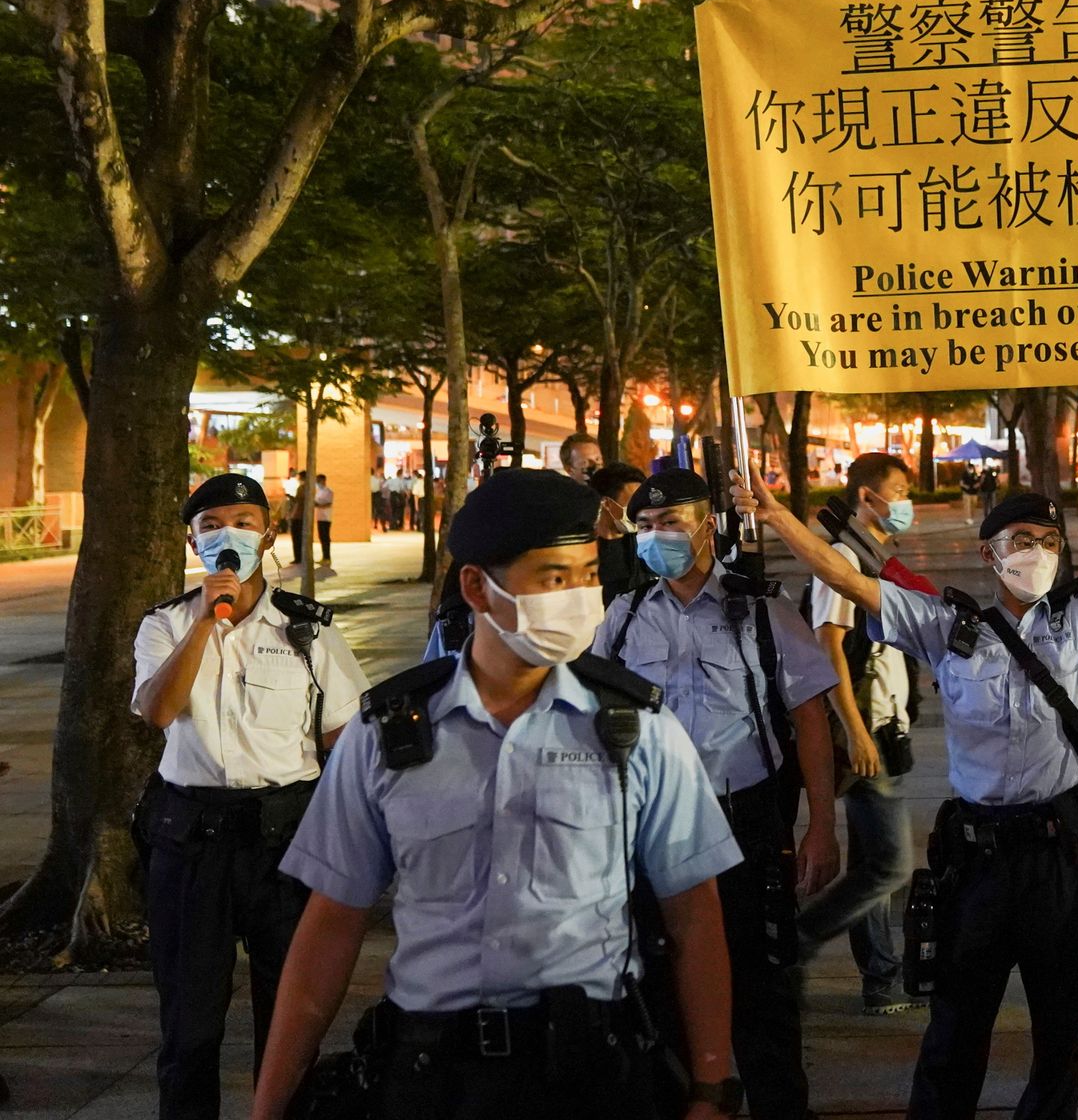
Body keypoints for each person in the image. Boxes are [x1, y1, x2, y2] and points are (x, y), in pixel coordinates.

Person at [731, 428, 1078, 1120]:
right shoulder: (946, 627)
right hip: (978, 865)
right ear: (989, 554)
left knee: (1060, 1036)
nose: (1034, 552)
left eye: (1046, 541)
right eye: (1018, 539)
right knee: (956, 1029)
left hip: (1063, 859)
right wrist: (775, 513)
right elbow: (846, 579)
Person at [249, 467, 744, 1120]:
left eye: (587, 575)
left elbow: (694, 915)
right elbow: (330, 928)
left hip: (590, 1077)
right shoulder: (388, 736)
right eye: (552, 579)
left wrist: (711, 1087)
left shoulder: (637, 728)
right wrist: (269, 1105)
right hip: (431, 1080)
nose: (578, 598)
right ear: (477, 588)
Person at [596, 467, 843, 1120]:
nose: (657, 537)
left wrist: (821, 825)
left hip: (744, 832)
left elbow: (812, 718)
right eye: (645, 527)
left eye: (671, 522)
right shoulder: (622, 619)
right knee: (664, 1000)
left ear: (709, 526)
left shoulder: (759, 610)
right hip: (654, 836)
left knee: (761, 1000)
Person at [132, 473, 369, 1120]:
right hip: (190, 843)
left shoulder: (310, 631)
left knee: (290, 1023)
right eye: (211, 524)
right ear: (192, 538)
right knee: (188, 1028)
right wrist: (206, 622)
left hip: (286, 841)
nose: (226, 532)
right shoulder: (164, 624)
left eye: (242, 518)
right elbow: (157, 711)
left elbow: (346, 739)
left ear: (268, 532)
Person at [799, 452, 925, 1015]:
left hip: (882, 726)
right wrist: (855, 730)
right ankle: (799, 940)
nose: (904, 502)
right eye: (897, 490)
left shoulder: (869, 556)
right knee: (891, 865)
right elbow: (827, 645)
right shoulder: (842, 559)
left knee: (872, 861)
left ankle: (881, 979)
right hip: (866, 730)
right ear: (867, 496)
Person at [590, 462, 650, 605]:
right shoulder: (586, 549)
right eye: (631, 504)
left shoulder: (646, 543)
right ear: (606, 503)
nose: (637, 511)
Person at [312, 474, 334, 568]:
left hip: (326, 518)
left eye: (318, 480)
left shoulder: (329, 491)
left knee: (326, 538)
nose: (317, 483)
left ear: (323, 481)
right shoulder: (319, 491)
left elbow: (328, 504)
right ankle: (324, 557)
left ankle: (327, 558)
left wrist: (317, 505)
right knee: (321, 538)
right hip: (319, 517)